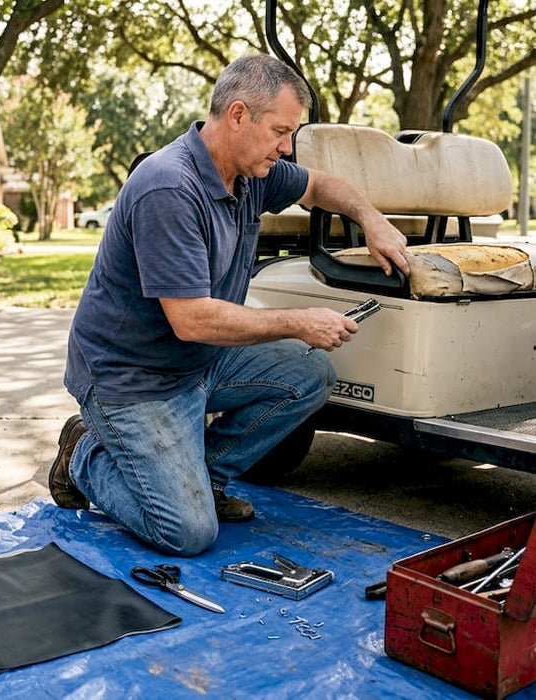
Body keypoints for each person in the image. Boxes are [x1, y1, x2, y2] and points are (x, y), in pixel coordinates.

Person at [49, 54, 409, 556]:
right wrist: (297, 321)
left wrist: (372, 219)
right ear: (238, 115)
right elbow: (192, 319)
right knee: (187, 533)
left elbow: (322, 185)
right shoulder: (169, 187)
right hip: (132, 380)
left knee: (310, 373)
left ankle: (207, 479)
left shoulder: (252, 171)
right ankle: (84, 454)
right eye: (281, 131)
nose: (286, 147)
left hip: (198, 363)